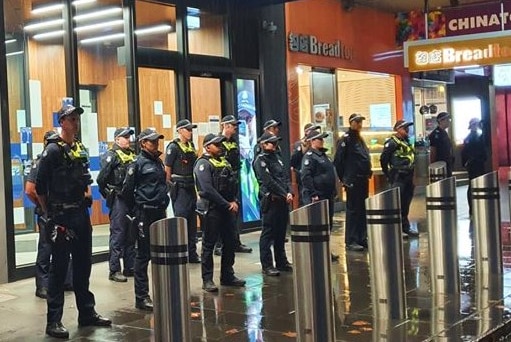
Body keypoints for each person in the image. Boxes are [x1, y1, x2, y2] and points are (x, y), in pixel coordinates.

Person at [36, 104, 111, 339]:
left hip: (80, 215)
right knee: (59, 270)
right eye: (72, 119)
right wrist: (50, 212)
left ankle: (86, 312)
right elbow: (38, 187)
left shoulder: (79, 147)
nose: (76, 123)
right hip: (60, 216)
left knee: (83, 264)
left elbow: (85, 175)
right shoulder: (52, 151)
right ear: (62, 122)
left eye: (78, 119)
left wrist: (87, 192)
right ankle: (53, 321)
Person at [122, 128, 169, 311]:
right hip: (145, 213)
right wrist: (136, 211)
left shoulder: (158, 161)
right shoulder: (137, 163)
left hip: (160, 212)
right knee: (143, 255)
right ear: (143, 143)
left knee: (160, 252)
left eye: (157, 140)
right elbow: (127, 191)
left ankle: (163, 291)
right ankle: (141, 297)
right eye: (152, 141)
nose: (156, 143)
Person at [194, 133, 246, 292]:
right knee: (209, 244)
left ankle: (227, 275)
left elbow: (233, 182)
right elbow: (207, 189)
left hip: (228, 208)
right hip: (212, 209)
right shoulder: (203, 164)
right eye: (217, 145)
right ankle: (207, 279)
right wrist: (226, 204)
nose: (221, 147)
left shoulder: (224, 162)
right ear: (208, 147)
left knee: (230, 242)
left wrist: (234, 200)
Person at [25, 131, 73, 299]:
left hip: (62, 210)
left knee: (65, 245)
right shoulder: (40, 162)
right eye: (51, 142)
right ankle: (42, 286)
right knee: (46, 248)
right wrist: (43, 206)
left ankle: (67, 281)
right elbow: (30, 190)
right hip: (47, 212)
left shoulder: (65, 160)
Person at [97, 127, 137, 282]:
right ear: (116, 140)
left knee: (130, 233)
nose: (128, 139)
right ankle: (114, 270)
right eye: (124, 137)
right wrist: (109, 195)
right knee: (118, 233)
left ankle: (129, 266)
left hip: (130, 197)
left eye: (129, 137)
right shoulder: (111, 156)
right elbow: (101, 180)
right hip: (118, 197)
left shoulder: (132, 155)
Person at [253, 132, 293, 276]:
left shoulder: (277, 158)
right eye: (272, 143)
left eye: (276, 142)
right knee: (268, 233)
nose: (275, 145)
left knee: (280, 233)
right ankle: (267, 265)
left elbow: (285, 176)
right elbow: (268, 181)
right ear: (263, 144)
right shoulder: (260, 160)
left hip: (282, 200)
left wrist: (290, 191)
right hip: (271, 200)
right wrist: (284, 193)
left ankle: (281, 261)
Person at [214, 115, 253, 256]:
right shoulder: (218, 142)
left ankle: (235, 241)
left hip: (234, 179)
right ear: (225, 126)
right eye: (233, 125)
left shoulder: (234, 142)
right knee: (222, 212)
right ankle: (219, 244)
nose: (235, 128)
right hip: (222, 181)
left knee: (235, 212)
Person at [333, 113, 372, 252]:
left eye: (361, 122)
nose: (359, 124)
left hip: (362, 179)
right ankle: (351, 239)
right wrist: (345, 179)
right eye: (357, 122)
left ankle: (362, 237)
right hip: (353, 180)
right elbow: (338, 161)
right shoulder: (346, 139)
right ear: (351, 123)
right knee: (353, 210)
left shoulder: (359, 139)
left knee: (362, 209)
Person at [300, 129, 340, 261]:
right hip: (318, 196)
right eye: (319, 139)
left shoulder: (324, 156)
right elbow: (306, 177)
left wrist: (334, 190)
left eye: (322, 139)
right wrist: (313, 193)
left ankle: (325, 250)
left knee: (327, 225)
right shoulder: (310, 157)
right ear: (312, 141)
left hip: (327, 195)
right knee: (317, 225)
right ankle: (317, 252)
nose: (322, 141)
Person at [164, 119, 200, 263]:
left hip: (191, 186)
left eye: (191, 129)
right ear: (179, 130)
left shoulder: (190, 146)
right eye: (187, 129)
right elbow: (168, 168)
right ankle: (181, 251)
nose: (190, 132)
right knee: (181, 219)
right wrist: (170, 186)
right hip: (179, 187)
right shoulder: (173, 147)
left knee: (192, 221)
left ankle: (192, 253)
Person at [380, 120, 419, 237]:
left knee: (406, 203)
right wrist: (388, 174)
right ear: (397, 129)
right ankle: (397, 229)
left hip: (408, 176)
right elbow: (383, 159)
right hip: (398, 176)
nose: (407, 130)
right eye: (404, 128)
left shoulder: (407, 142)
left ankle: (405, 227)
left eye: (408, 128)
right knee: (397, 203)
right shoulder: (391, 143)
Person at [461, 117, 487, 216]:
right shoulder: (477, 137)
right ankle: (474, 209)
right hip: (476, 165)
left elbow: (464, 154)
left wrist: (465, 164)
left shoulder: (469, 138)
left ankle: (473, 209)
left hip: (473, 165)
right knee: (475, 186)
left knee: (472, 185)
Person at [290, 123, 321, 205]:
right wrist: (302, 149)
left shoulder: (316, 143)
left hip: (317, 178)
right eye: (313, 130)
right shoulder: (299, 144)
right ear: (306, 132)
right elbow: (293, 162)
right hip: (304, 178)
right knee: (305, 201)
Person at [428, 111, 454, 177]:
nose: (449, 121)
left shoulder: (444, 133)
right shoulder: (435, 134)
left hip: (447, 163)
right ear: (441, 121)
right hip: (439, 165)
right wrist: (433, 166)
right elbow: (433, 151)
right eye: (447, 119)